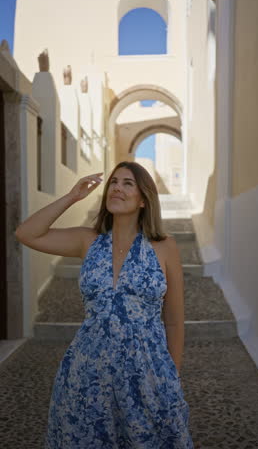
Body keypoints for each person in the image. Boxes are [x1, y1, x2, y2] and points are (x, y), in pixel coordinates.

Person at [15, 161, 194, 448]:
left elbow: (173, 319)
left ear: (144, 199)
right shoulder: (88, 241)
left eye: (127, 183)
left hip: (147, 375)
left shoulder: (164, 246)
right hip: (87, 374)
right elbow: (26, 233)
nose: (117, 188)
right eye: (113, 182)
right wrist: (73, 196)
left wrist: (171, 375)